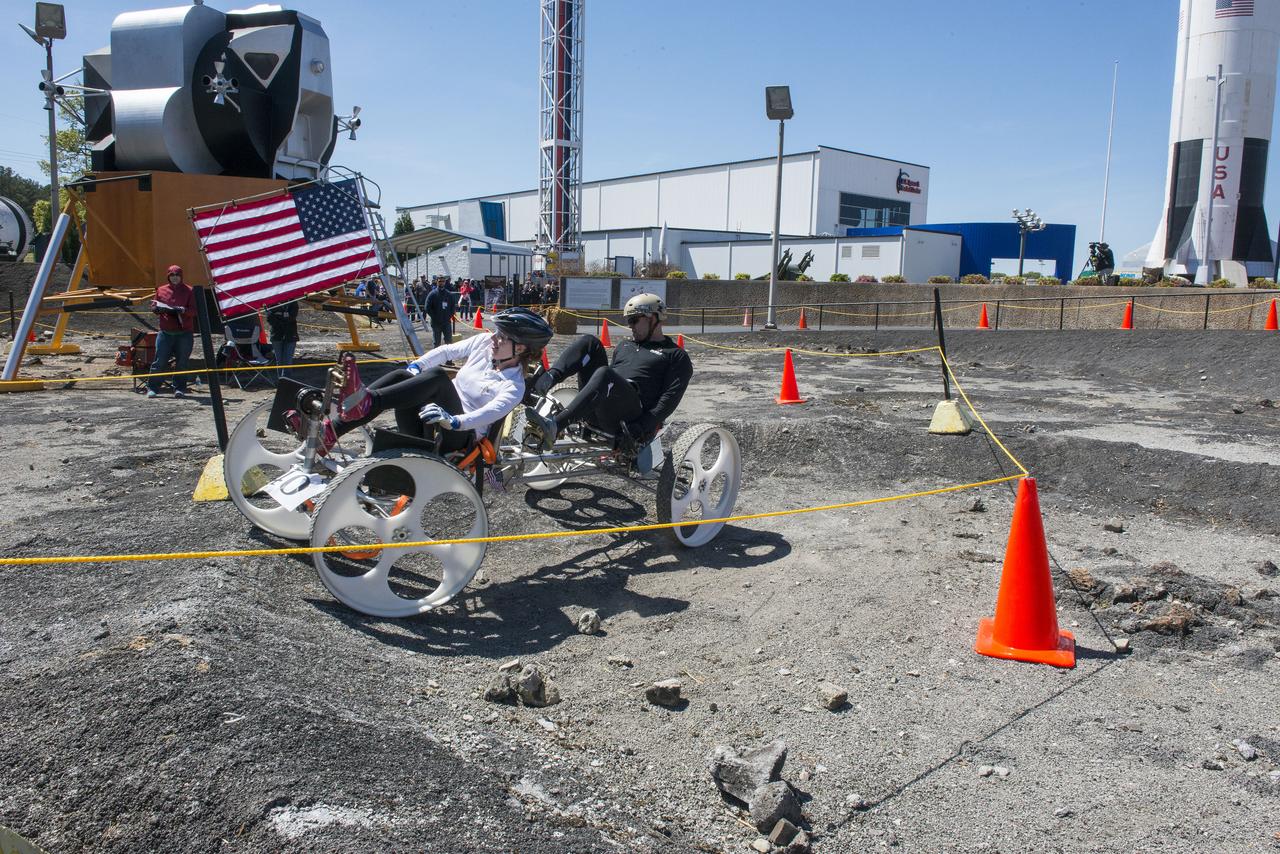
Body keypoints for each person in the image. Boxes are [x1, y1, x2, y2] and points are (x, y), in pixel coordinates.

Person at [286, 307, 554, 455]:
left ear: (520, 348)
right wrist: (416, 366)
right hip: (432, 418)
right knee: (405, 376)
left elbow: (488, 414)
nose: (494, 338)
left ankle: (365, 402)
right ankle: (330, 431)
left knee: (437, 377)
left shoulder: (515, 386)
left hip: (459, 436)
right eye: (497, 332)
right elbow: (448, 351)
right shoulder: (486, 344)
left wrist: (455, 421)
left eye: (502, 336)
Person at [524, 293, 691, 452]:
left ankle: (555, 426)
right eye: (628, 321)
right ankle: (541, 385)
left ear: (654, 318)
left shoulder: (675, 355)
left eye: (634, 320)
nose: (630, 326)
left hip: (629, 419)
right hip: (601, 408)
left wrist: (641, 427)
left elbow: (668, 401)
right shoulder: (625, 346)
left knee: (606, 374)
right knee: (590, 342)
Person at [147, 264, 197, 399]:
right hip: (165, 332)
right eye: (172, 275)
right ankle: (152, 388)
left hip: (184, 333)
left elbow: (194, 311)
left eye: (177, 275)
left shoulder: (189, 291)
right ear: (168, 276)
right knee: (159, 361)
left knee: (182, 362)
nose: (175, 278)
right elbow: (154, 305)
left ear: (181, 276)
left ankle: (179, 388)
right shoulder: (161, 290)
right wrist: (156, 309)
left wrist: (183, 310)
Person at [266, 300, 300, 378]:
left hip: (291, 335)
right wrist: (285, 316)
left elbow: (293, 316)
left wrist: (279, 315)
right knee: (279, 361)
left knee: (288, 361)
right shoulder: (272, 302)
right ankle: (281, 381)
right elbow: (270, 319)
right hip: (276, 336)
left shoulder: (293, 302)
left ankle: (287, 382)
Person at [425, 278, 457, 347]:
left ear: (445, 282)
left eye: (443, 281)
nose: (441, 283)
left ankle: (449, 358)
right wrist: (435, 317)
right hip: (436, 323)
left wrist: (448, 316)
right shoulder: (432, 294)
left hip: (446, 322)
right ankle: (436, 358)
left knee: (449, 342)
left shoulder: (449, 294)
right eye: (439, 281)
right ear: (437, 282)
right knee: (436, 343)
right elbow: (427, 308)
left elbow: (453, 307)